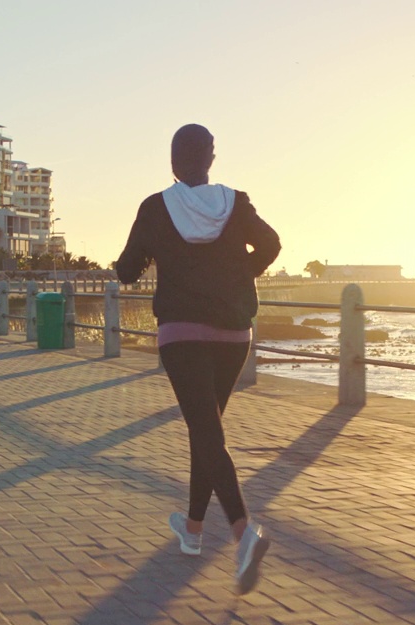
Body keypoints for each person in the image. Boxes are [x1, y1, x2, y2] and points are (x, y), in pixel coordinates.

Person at [115, 124, 281, 594]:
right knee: (206, 432)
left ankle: (242, 532)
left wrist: (140, 258)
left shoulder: (155, 208)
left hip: (183, 334)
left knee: (206, 433)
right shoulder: (236, 201)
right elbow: (271, 244)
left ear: (173, 161)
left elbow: (128, 270)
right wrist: (236, 274)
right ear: (210, 158)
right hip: (233, 336)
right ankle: (191, 530)